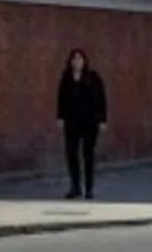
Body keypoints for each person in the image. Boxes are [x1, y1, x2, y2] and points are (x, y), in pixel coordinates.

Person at [56, 49, 108, 200]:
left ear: (84, 61)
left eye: (80, 59)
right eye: (74, 59)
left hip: (89, 121)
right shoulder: (66, 78)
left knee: (88, 154)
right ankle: (75, 186)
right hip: (71, 121)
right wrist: (60, 117)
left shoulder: (93, 77)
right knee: (71, 153)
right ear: (70, 61)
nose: (77, 62)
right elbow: (61, 97)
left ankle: (89, 188)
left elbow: (101, 98)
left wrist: (102, 119)